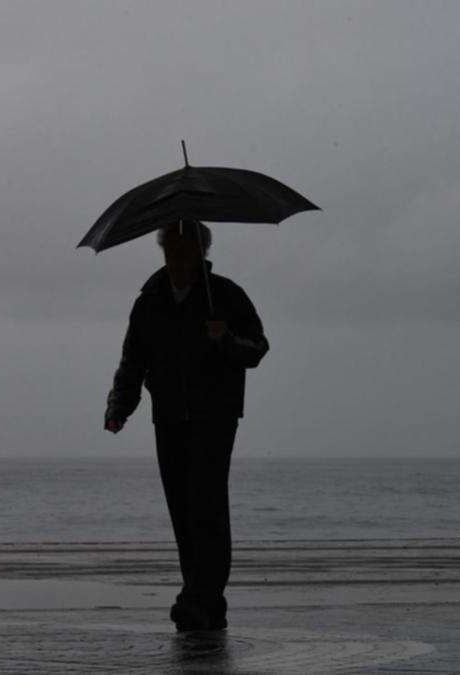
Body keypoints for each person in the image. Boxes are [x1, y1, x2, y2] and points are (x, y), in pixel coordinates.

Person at [104, 221, 268, 631]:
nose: (176, 259)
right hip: (170, 415)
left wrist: (226, 339)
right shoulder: (149, 301)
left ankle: (199, 596)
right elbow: (133, 359)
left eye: (185, 251)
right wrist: (119, 406)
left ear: (200, 252)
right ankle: (203, 595)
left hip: (216, 417)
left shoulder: (226, 295)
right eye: (171, 250)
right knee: (182, 507)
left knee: (208, 505)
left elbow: (258, 348)